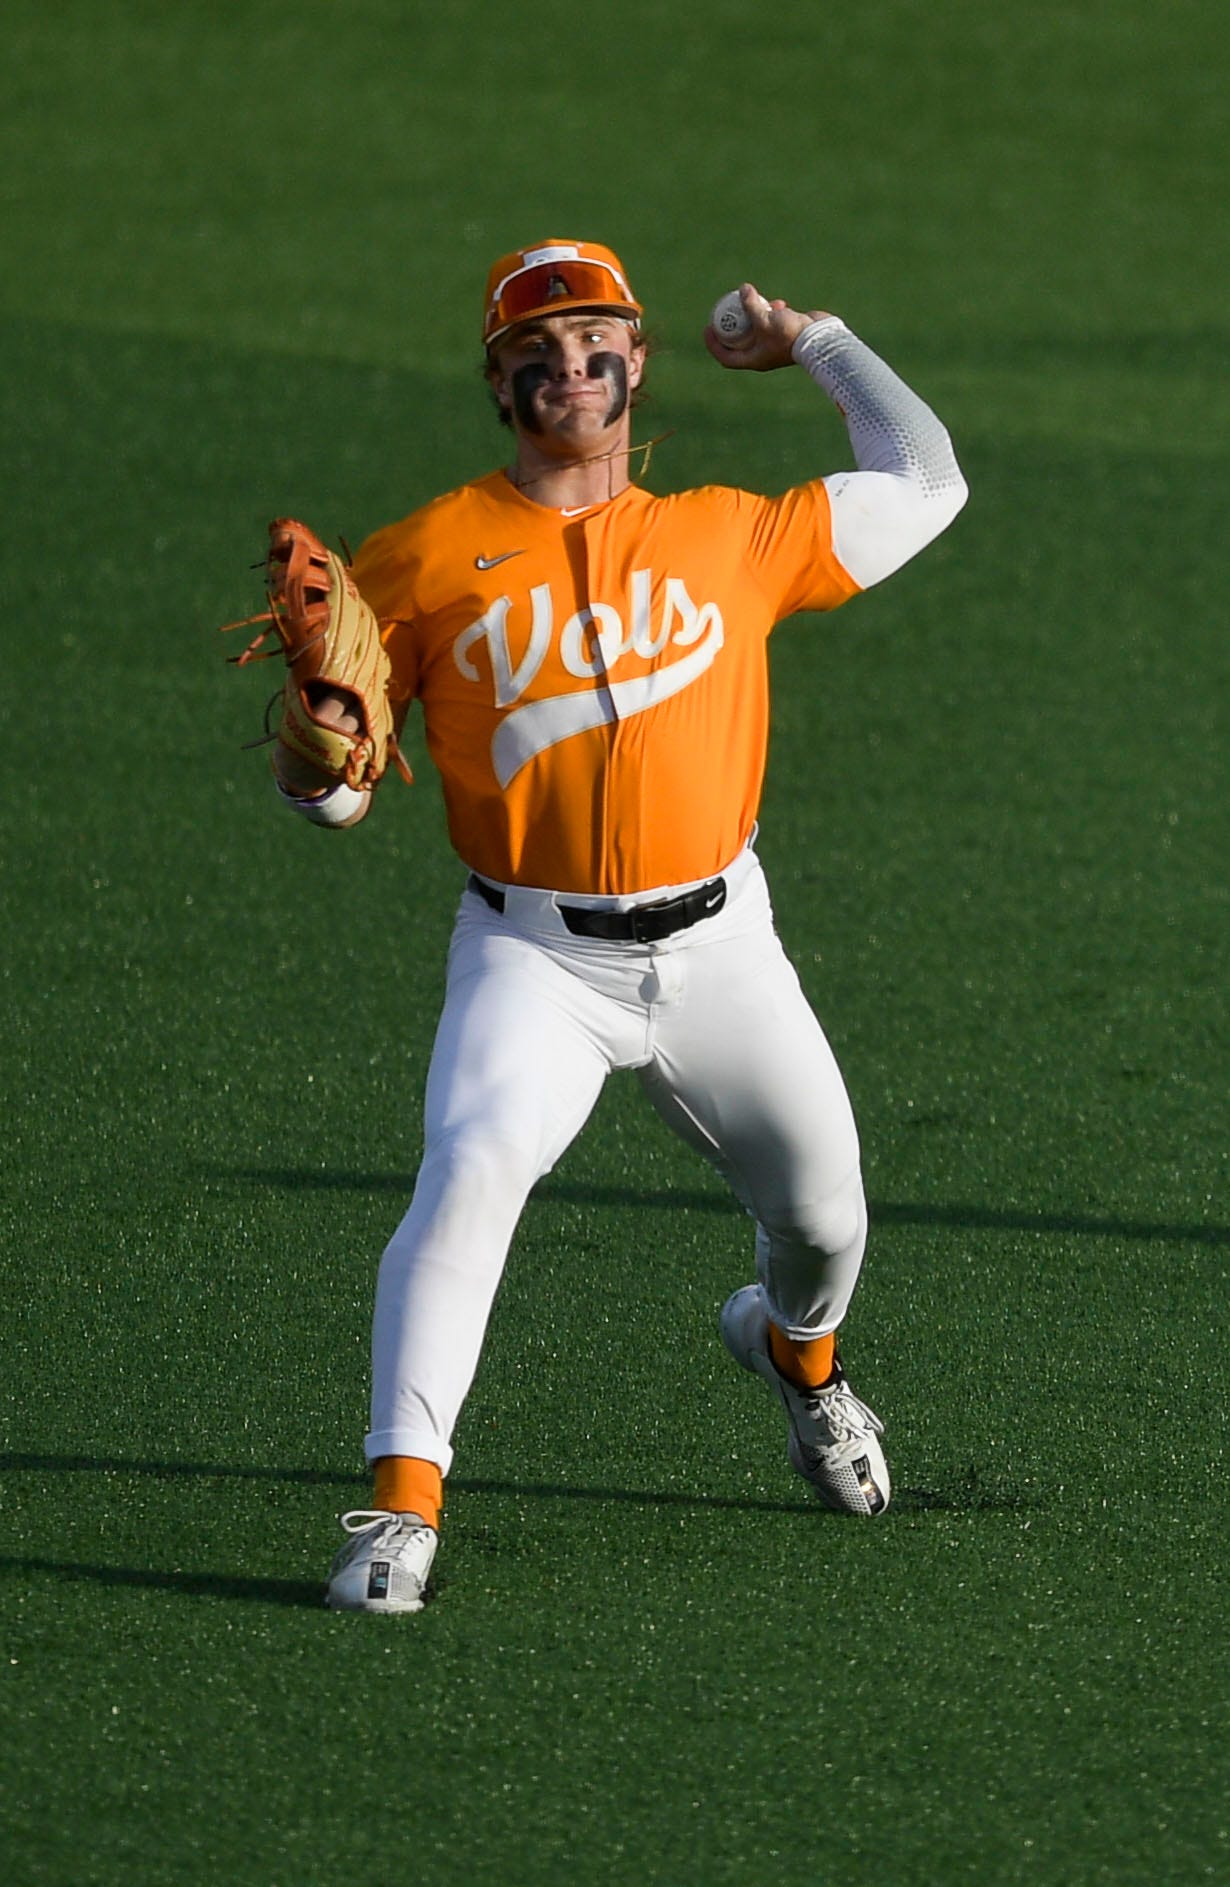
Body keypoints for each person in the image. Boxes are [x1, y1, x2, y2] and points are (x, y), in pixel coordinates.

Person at [291, 240, 967, 1614]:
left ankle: (796, 1361)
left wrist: (818, 343)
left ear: (635, 361)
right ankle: (399, 1510)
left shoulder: (731, 531)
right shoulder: (416, 559)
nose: (569, 366)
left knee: (824, 1222)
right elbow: (341, 796)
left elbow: (927, 478)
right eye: (534, 350)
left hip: (721, 951)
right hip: (532, 958)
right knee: (469, 1171)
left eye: (595, 339)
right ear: (498, 382)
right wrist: (320, 774)